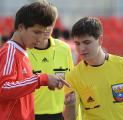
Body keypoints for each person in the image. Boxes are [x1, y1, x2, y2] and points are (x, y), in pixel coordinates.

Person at [0, 2, 70, 120]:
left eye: (43, 33)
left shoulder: (23, 52)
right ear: (21, 27)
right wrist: (42, 79)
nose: (40, 38)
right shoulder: (10, 51)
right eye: (36, 32)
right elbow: (4, 88)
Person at [27, 2, 81, 120]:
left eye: (50, 23)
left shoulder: (64, 48)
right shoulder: (24, 52)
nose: (47, 28)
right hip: (30, 114)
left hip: (59, 114)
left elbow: (71, 84)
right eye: (43, 23)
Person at [63, 16, 123, 120]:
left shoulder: (120, 65)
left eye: (87, 42)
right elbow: (70, 118)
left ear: (100, 40)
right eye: (77, 43)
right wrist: (70, 106)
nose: (81, 48)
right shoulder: (73, 76)